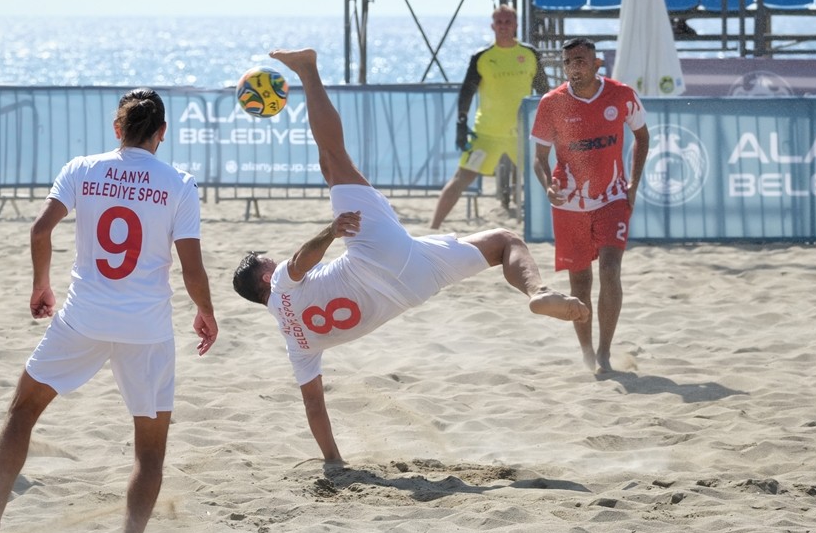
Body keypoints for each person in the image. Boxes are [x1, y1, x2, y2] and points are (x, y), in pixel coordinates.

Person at [231, 48, 589, 464]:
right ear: (262, 280)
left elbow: (314, 405)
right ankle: (308, 68)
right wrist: (331, 231)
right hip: (376, 256)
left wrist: (333, 460)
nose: (272, 264)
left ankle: (537, 293)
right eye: (266, 262)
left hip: (414, 286)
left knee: (500, 241)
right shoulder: (279, 284)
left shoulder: (296, 343)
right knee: (334, 157)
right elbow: (298, 263)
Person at [0, 89, 219, 533]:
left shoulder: (82, 168)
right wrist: (206, 313)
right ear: (161, 133)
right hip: (147, 329)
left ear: (117, 130)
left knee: (20, 414)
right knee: (149, 453)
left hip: (82, 319)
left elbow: (40, 230)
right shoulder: (179, 183)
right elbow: (192, 270)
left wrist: (41, 286)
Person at [531, 38, 650, 375]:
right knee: (579, 283)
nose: (574, 67)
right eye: (568, 62)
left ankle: (605, 352)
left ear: (596, 63)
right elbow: (539, 158)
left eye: (581, 60)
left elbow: (643, 137)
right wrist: (547, 186)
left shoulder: (621, 95)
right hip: (569, 203)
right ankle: (586, 353)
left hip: (612, 197)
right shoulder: (552, 103)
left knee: (611, 268)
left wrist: (634, 183)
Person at [429, 5, 549, 229]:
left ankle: (556, 227)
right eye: (499, 22)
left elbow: (545, 92)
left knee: (545, 179)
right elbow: (467, 92)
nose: (504, 26)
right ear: (493, 26)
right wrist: (461, 123)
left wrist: (551, 124)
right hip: (487, 135)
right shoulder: (482, 57)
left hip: (522, 135)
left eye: (508, 22)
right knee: (461, 179)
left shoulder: (529, 54)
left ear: (515, 25)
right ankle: (433, 226)